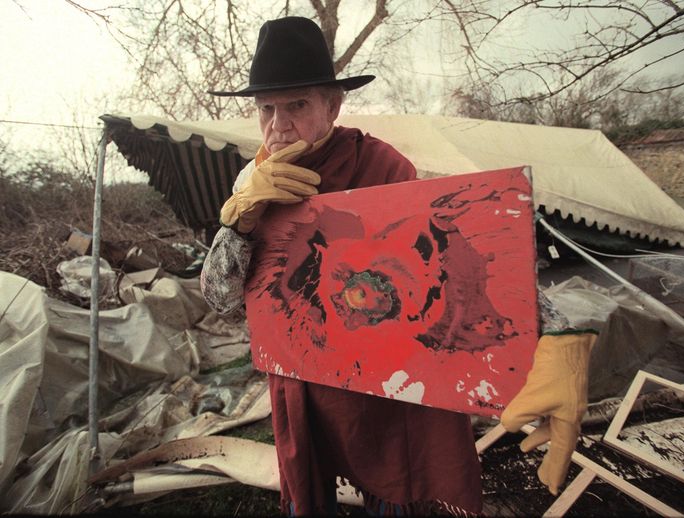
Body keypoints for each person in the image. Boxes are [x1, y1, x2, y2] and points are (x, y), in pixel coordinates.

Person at [201, 15, 596, 516]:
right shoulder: (249, 183)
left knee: (394, 488)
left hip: (380, 387)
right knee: (310, 488)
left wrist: (556, 336)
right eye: (266, 108)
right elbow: (220, 300)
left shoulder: (383, 168)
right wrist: (237, 225)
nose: (279, 125)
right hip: (302, 380)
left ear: (333, 104)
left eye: (297, 104)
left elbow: (460, 262)